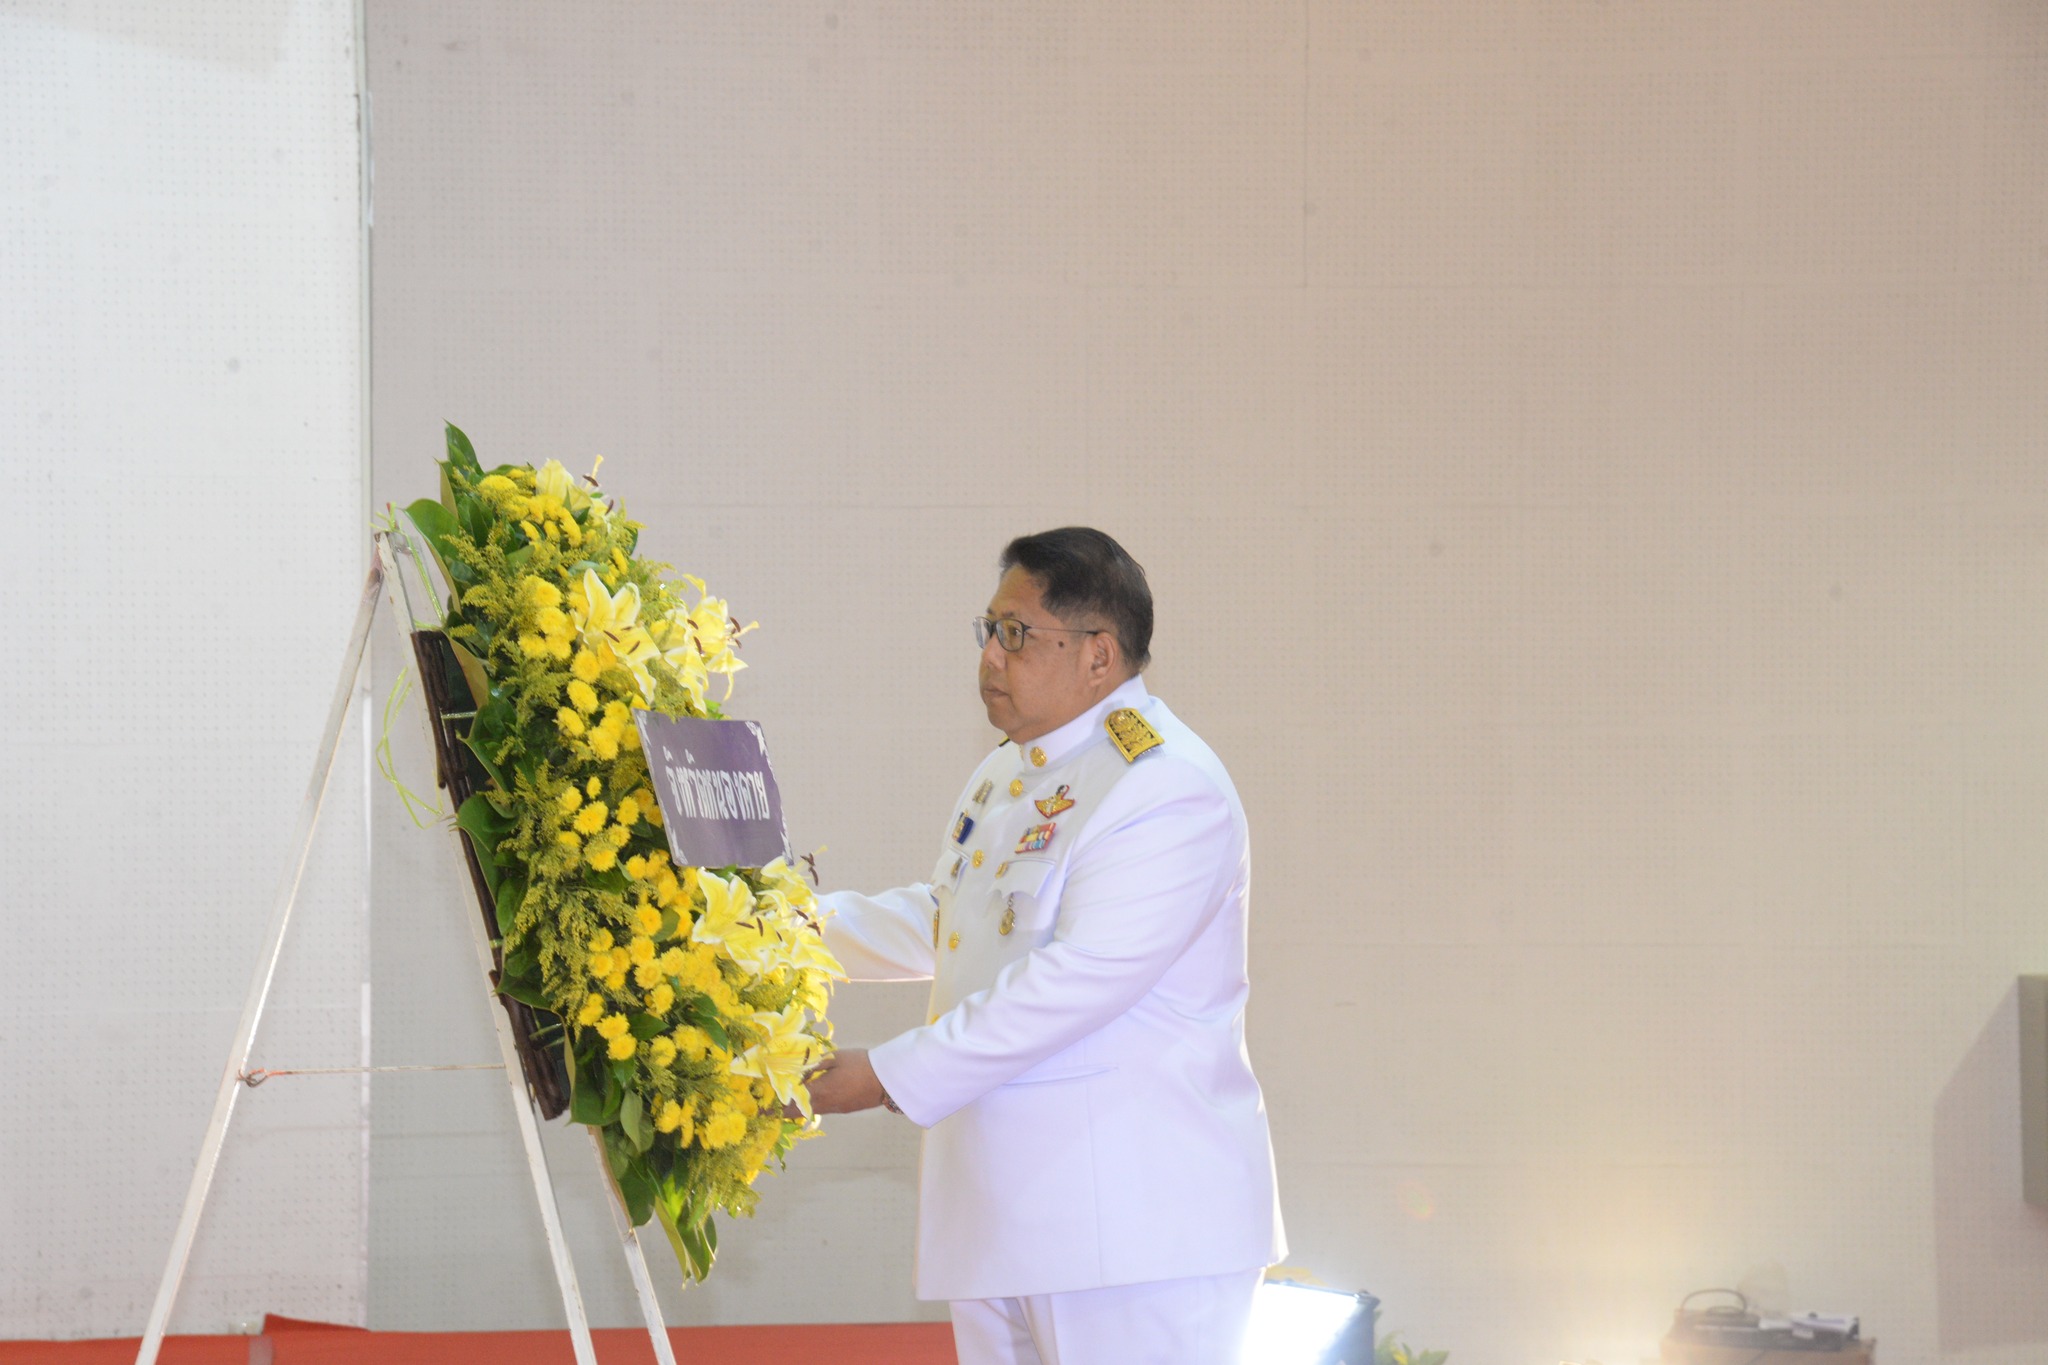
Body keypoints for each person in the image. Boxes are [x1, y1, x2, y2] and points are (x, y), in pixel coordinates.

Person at [804, 527, 1286, 1365]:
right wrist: (781, 928)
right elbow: (953, 923)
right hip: (1009, 1217)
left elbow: (1080, 979)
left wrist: (882, 1074)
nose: (991, 654)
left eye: (1016, 633)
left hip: (1133, 1230)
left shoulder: (1165, 785)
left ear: (1098, 656)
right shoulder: (1011, 771)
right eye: (988, 629)